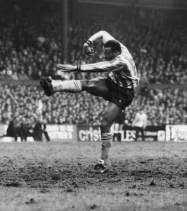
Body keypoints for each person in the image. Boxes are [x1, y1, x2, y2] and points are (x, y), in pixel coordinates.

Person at [40, 30, 139, 173]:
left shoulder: (121, 61)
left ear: (116, 53)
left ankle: (103, 162)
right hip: (112, 82)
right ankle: (53, 87)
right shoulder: (118, 47)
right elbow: (103, 32)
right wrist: (88, 43)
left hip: (124, 93)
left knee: (104, 123)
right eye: (104, 52)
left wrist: (75, 68)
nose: (104, 55)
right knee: (88, 84)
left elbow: (99, 67)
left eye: (107, 54)